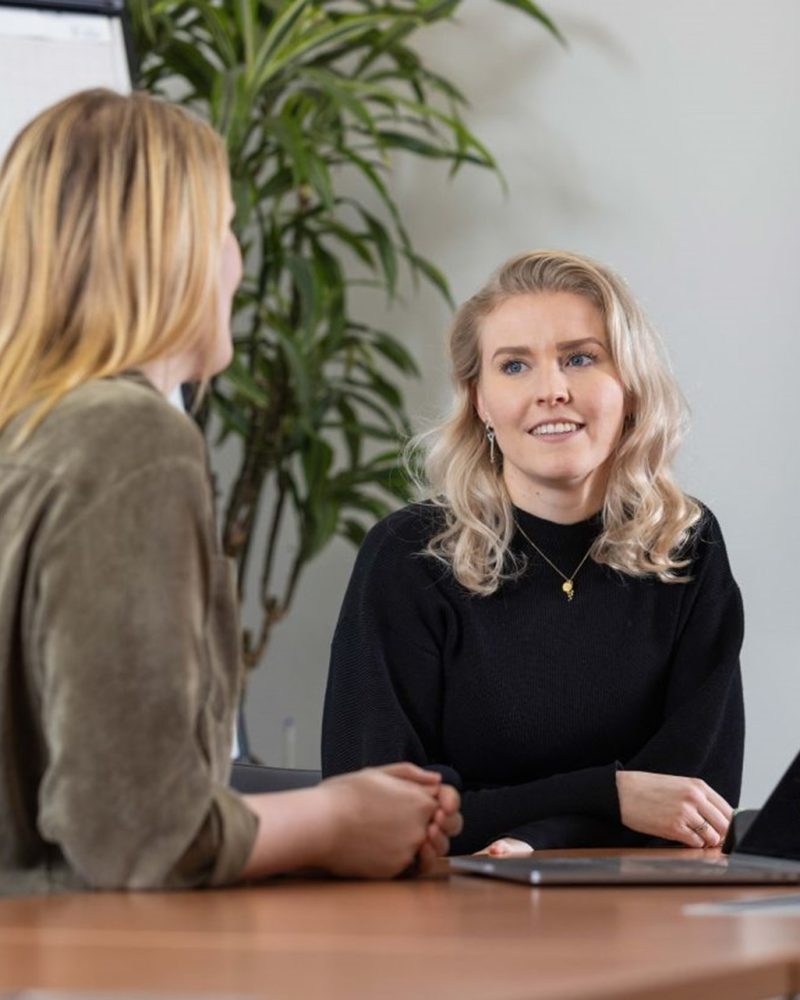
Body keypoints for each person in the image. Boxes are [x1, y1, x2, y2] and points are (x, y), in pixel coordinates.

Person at [0, 88, 460, 895]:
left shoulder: (29, 429)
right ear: (167, 249)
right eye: (223, 229)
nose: (238, 261)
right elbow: (134, 835)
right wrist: (336, 819)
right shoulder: (128, 439)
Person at [322, 249, 744, 857]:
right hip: (447, 919)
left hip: (646, 915)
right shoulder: (408, 557)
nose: (552, 390)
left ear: (629, 386)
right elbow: (368, 811)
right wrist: (612, 795)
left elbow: (693, 806)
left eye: (580, 358)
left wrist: (536, 836)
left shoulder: (686, 544)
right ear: (481, 401)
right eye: (515, 366)